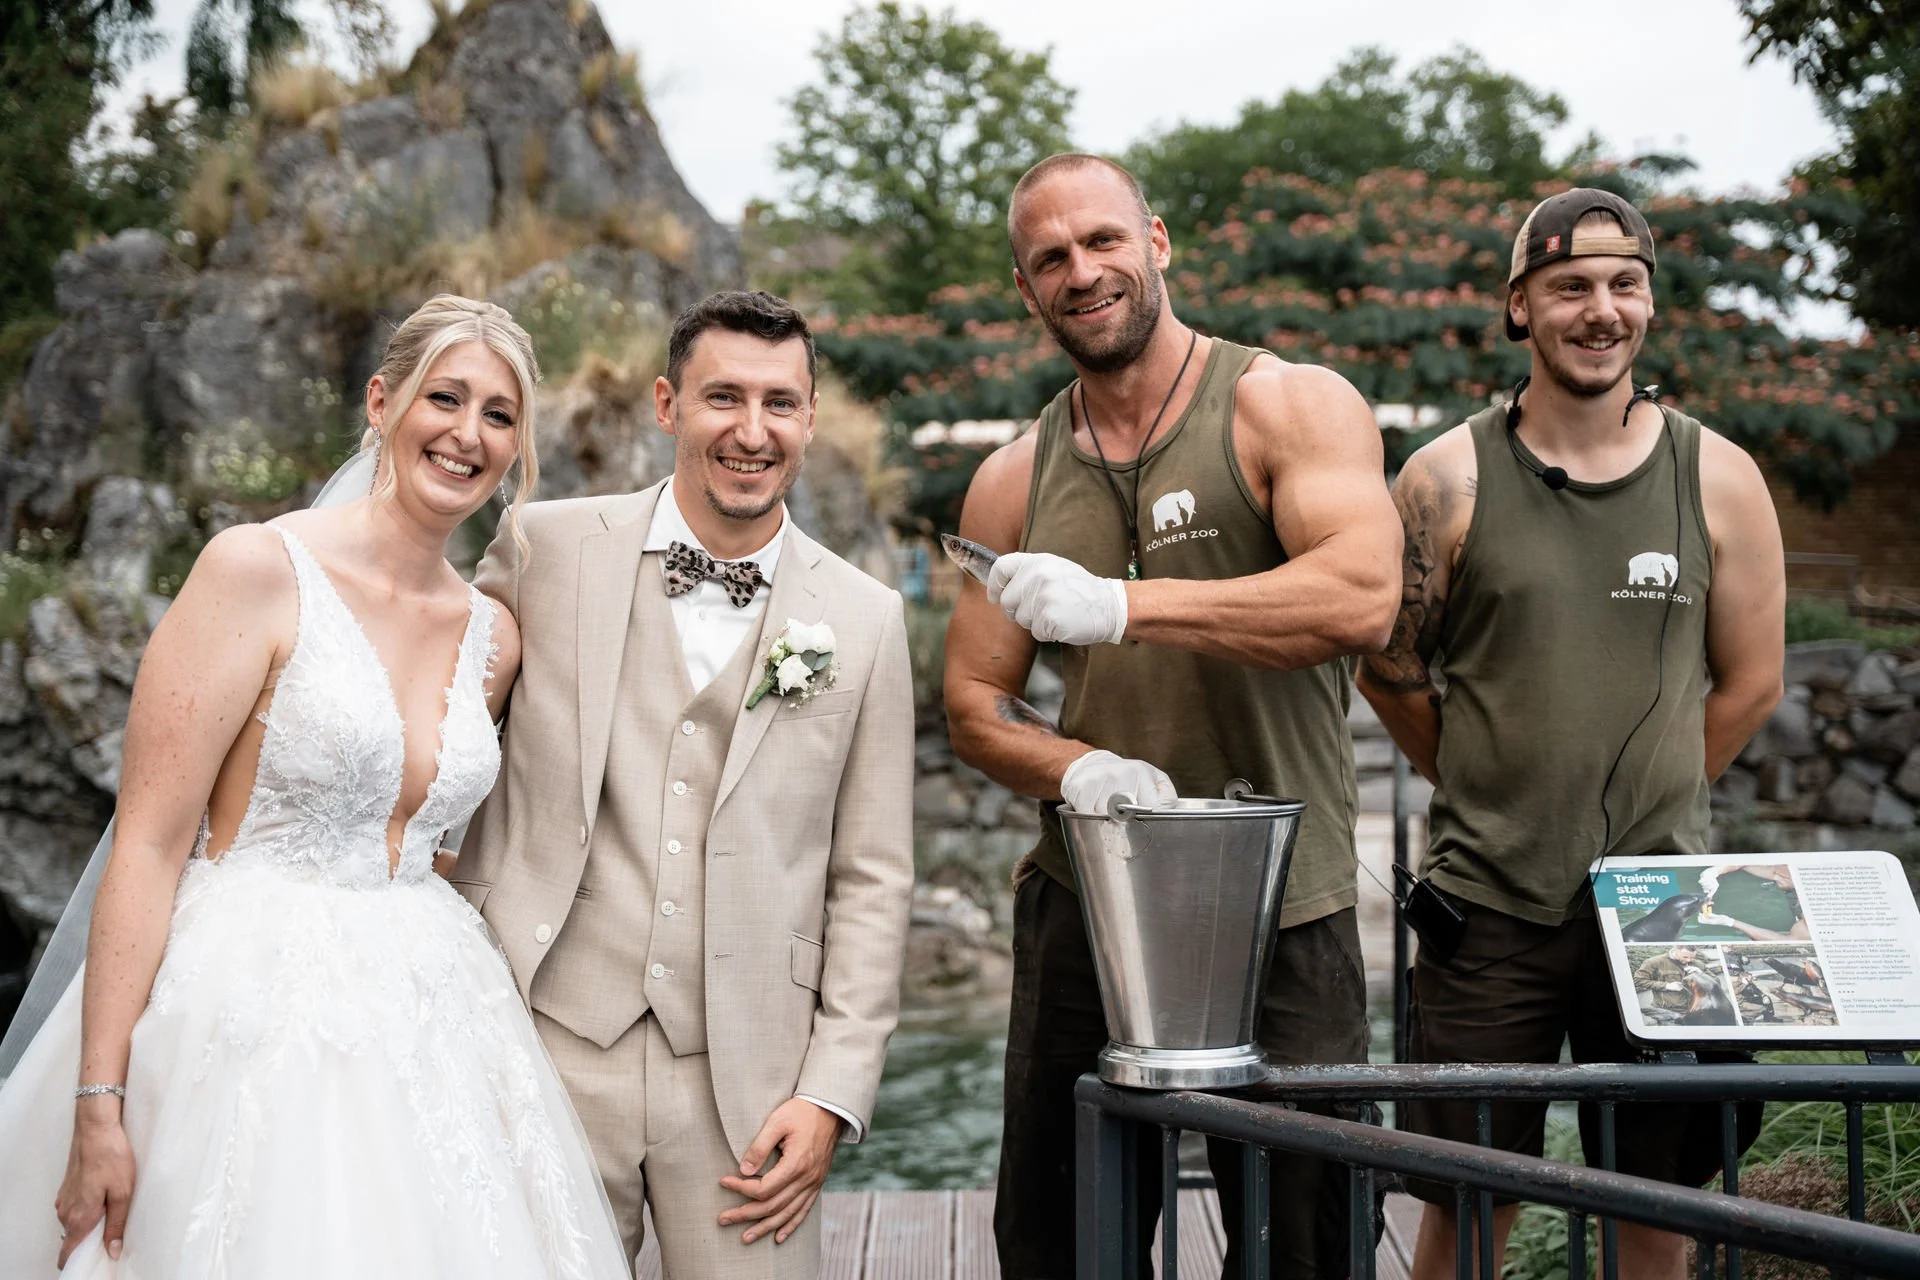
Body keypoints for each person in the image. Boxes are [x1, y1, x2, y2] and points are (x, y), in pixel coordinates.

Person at [0, 294, 632, 1277]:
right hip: (246, 1005)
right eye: (446, 398)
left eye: (499, 415)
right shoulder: (255, 570)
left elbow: (435, 834)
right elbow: (151, 841)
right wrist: (100, 1101)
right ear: (383, 402)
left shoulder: (493, 637)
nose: (468, 433)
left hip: (435, 1013)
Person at [945, 153, 1401, 1280]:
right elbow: (971, 700)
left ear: (1156, 241)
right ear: (1025, 288)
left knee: (1308, 1235)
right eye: (1050, 257)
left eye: (1102, 240)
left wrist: (1120, 606)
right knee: (1058, 1236)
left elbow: (1362, 595)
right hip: (1086, 898)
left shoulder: (1285, 403)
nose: (1082, 271)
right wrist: (1075, 767)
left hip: (1286, 896)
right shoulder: (1012, 477)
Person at [1355, 188, 1786, 1280]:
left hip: (1670, 907)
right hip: (1484, 900)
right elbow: (1391, 666)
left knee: (1655, 1206)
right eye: (1570, 287)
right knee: (1470, 1198)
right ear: (1520, 307)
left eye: (1624, 284)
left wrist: (1656, 807)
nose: (1601, 310)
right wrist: (1491, 783)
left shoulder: (1721, 477)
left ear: (1649, 301)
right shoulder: (1444, 479)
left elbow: (1750, 682)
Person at [451, 289, 914, 1278]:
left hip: (752, 1078)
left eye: (780, 403)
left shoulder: (866, 617)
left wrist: (833, 1088)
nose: (752, 431)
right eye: (723, 397)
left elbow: (874, 876)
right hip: (546, 1037)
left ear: (810, 418)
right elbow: (434, 733)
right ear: (667, 403)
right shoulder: (544, 545)